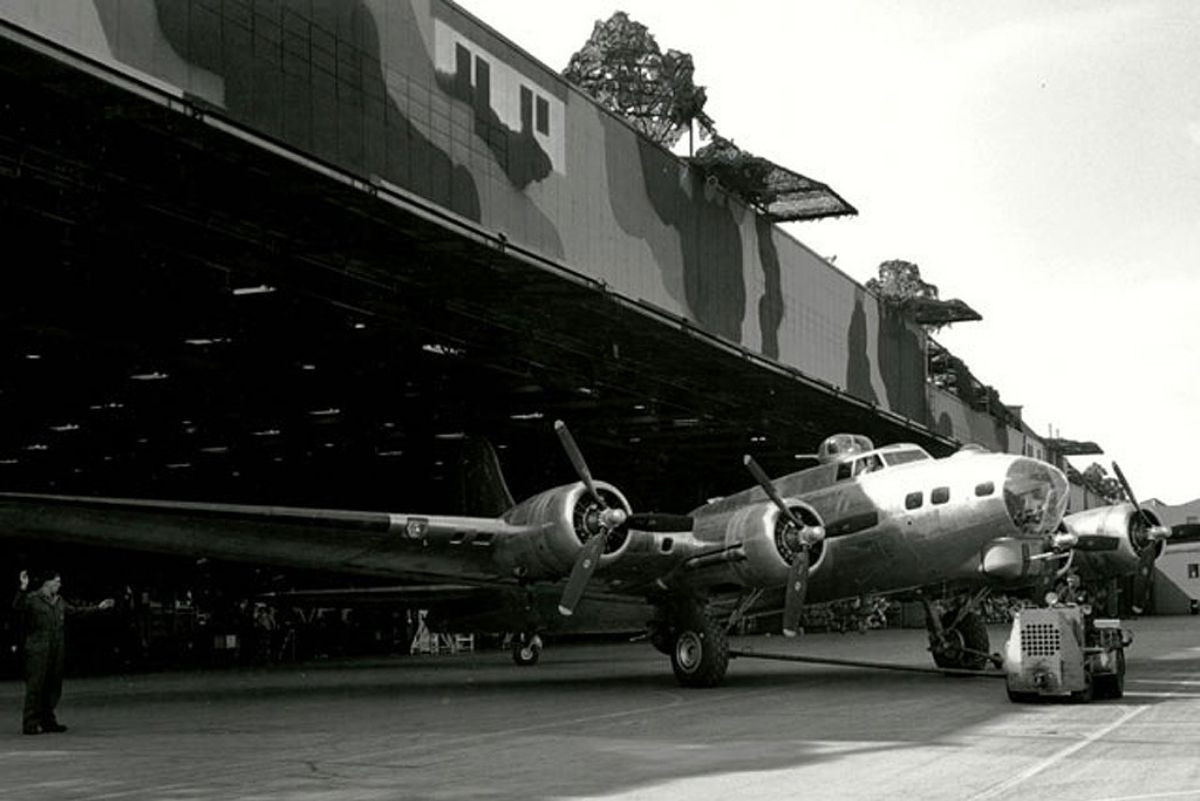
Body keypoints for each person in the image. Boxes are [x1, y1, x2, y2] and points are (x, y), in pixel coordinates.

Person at [12, 569, 114, 735]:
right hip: (38, 648)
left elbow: (75, 612)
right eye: (57, 581)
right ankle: (30, 723)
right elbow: (17, 606)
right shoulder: (32, 599)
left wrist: (98, 608)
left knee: (53, 685)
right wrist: (23, 587)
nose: (60, 585)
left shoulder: (59, 601)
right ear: (48, 583)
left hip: (56, 647)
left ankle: (48, 720)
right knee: (36, 685)